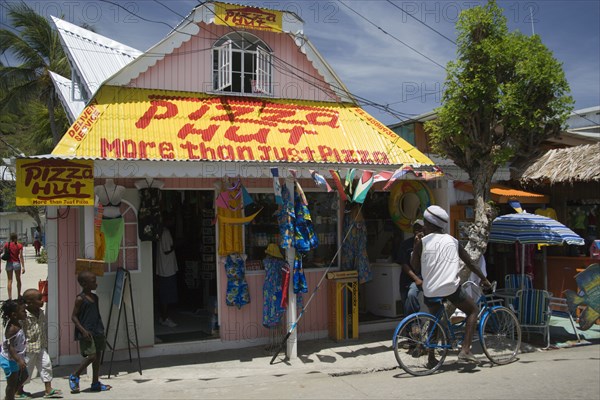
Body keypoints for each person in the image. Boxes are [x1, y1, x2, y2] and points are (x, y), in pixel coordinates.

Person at [411, 205, 491, 364]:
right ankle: (465, 350)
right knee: (473, 310)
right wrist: (484, 279)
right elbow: (471, 264)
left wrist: (416, 245)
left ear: (431, 224)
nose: (424, 226)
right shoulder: (453, 241)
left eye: (426, 223)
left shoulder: (423, 242)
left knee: (434, 319)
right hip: (450, 289)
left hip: (430, 290)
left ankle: (432, 358)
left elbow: (415, 267)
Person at [69, 271, 112, 393]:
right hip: (86, 332)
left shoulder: (95, 298)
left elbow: (96, 314)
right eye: (93, 282)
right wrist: (82, 331)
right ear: (84, 284)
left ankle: (95, 383)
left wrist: (101, 329)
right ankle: (75, 375)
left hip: (97, 330)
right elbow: (74, 317)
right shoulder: (80, 299)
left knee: (97, 356)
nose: (96, 284)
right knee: (91, 356)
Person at [19, 289, 63, 399]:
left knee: (46, 365)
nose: (42, 301)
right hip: (29, 349)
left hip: (41, 346)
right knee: (27, 370)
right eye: (39, 299)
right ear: (30, 302)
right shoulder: (24, 316)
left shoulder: (40, 312)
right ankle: (18, 391)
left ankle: (48, 390)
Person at [0, 299, 28, 400]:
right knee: (11, 383)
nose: (25, 313)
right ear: (14, 315)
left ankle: (9, 396)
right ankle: (9, 397)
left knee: (24, 375)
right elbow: (9, 346)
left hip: (16, 358)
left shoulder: (18, 324)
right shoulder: (12, 329)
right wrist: (18, 360)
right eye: (23, 311)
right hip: (10, 360)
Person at [396, 220, 425, 316]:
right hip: (406, 279)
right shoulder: (406, 244)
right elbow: (404, 264)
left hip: (420, 278)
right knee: (406, 304)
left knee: (411, 295)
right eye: (415, 227)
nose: (417, 230)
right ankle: (410, 328)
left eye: (420, 228)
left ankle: (415, 323)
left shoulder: (428, 244)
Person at [155, 215, 179, 328]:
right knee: (166, 295)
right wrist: (176, 245)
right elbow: (167, 250)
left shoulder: (160, 232)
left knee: (164, 295)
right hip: (167, 269)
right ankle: (165, 318)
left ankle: (163, 317)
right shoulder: (166, 232)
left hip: (163, 268)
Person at [3, 232, 25, 300]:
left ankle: (10, 297)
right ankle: (19, 295)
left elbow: (5, 254)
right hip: (16, 263)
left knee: (9, 280)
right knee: (18, 280)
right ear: (16, 238)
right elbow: (21, 256)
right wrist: (23, 266)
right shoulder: (19, 245)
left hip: (9, 263)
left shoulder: (6, 245)